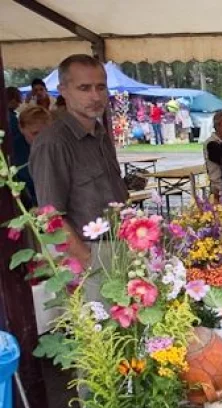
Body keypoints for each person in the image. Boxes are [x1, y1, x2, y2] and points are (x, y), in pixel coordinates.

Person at [29, 54, 127, 280]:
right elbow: (50, 217)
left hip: (118, 250)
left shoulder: (100, 134)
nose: (95, 96)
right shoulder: (54, 142)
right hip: (86, 258)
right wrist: (87, 261)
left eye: (101, 87)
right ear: (63, 90)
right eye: (84, 88)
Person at [15, 105, 53, 206]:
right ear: (21, 128)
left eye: (45, 133)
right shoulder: (14, 152)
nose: (41, 139)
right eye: (35, 133)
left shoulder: (56, 144)